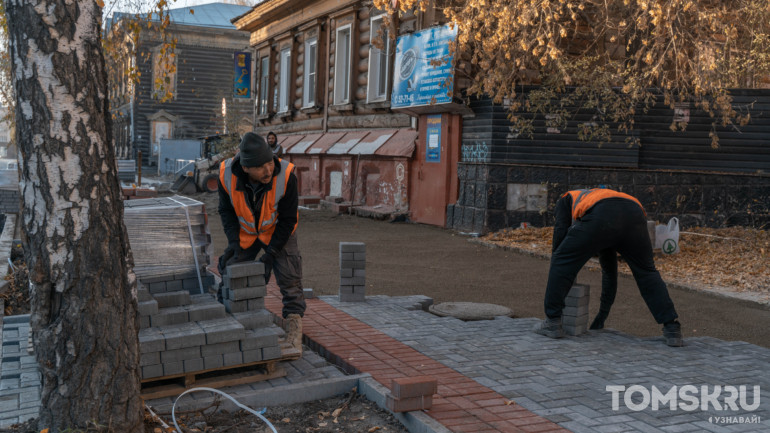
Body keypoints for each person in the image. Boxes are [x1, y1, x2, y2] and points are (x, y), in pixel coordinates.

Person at [534, 188, 683, 347]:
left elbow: (559, 236)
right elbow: (609, 271)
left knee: (560, 259)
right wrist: (600, 318)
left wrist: (560, 268)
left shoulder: (566, 198)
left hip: (602, 214)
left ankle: (552, 322)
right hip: (635, 213)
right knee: (647, 272)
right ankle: (672, 328)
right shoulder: (597, 198)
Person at [217, 132, 305, 352]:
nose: (268, 171)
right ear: (246, 168)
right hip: (247, 233)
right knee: (232, 274)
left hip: (278, 230)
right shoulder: (226, 174)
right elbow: (226, 211)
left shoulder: (286, 175)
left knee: (290, 277)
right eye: (260, 167)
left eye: (269, 163)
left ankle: (294, 329)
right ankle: (225, 325)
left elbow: (288, 219)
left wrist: (270, 254)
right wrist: (233, 244)